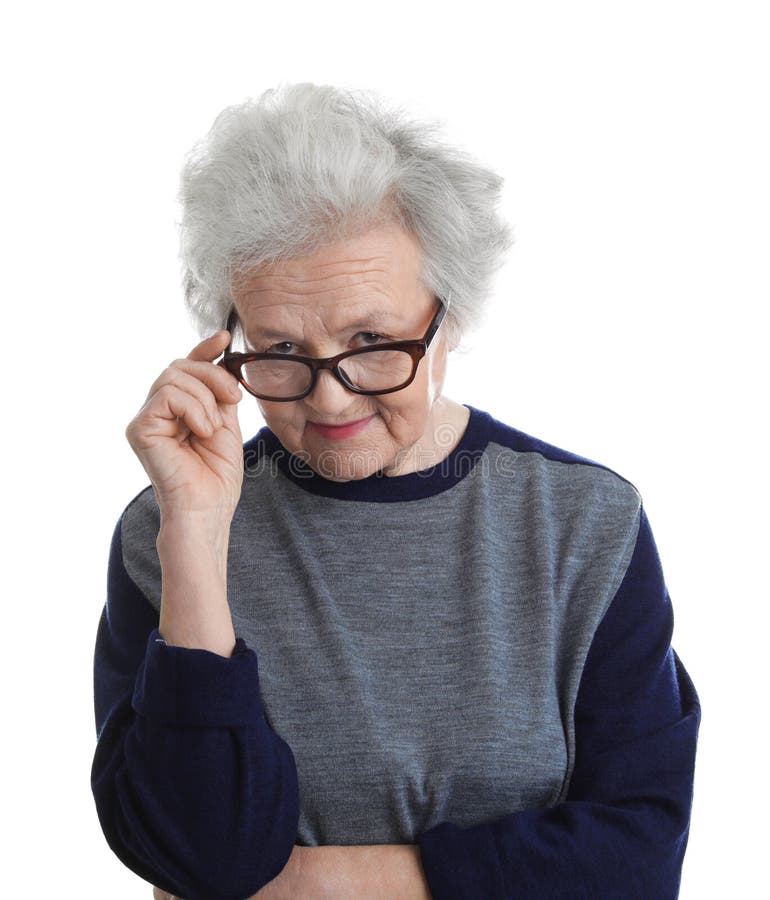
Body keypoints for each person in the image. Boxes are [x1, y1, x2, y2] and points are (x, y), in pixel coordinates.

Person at [91, 82, 700, 899]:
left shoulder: (585, 525)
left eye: (372, 341)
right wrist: (196, 538)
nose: (330, 398)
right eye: (279, 348)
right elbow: (199, 854)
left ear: (446, 319)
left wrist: (312, 884)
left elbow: (637, 857)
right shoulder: (164, 534)